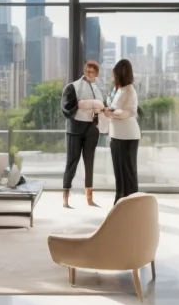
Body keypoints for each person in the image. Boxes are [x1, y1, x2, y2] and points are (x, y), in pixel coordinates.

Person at [60, 60, 105, 208]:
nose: (88, 74)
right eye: (87, 70)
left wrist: (95, 108)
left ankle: (89, 198)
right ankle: (65, 198)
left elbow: (100, 106)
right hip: (75, 129)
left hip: (92, 129)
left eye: (92, 72)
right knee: (72, 162)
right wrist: (82, 105)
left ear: (96, 74)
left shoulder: (97, 88)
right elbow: (66, 106)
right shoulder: (73, 86)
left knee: (89, 162)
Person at [103, 59, 141, 204]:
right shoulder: (119, 90)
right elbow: (116, 108)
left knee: (128, 173)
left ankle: (132, 206)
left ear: (121, 74)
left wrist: (111, 113)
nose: (113, 77)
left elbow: (129, 112)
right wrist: (109, 110)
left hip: (128, 135)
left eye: (115, 74)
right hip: (116, 135)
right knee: (119, 173)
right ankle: (119, 203)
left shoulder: (130, 90)